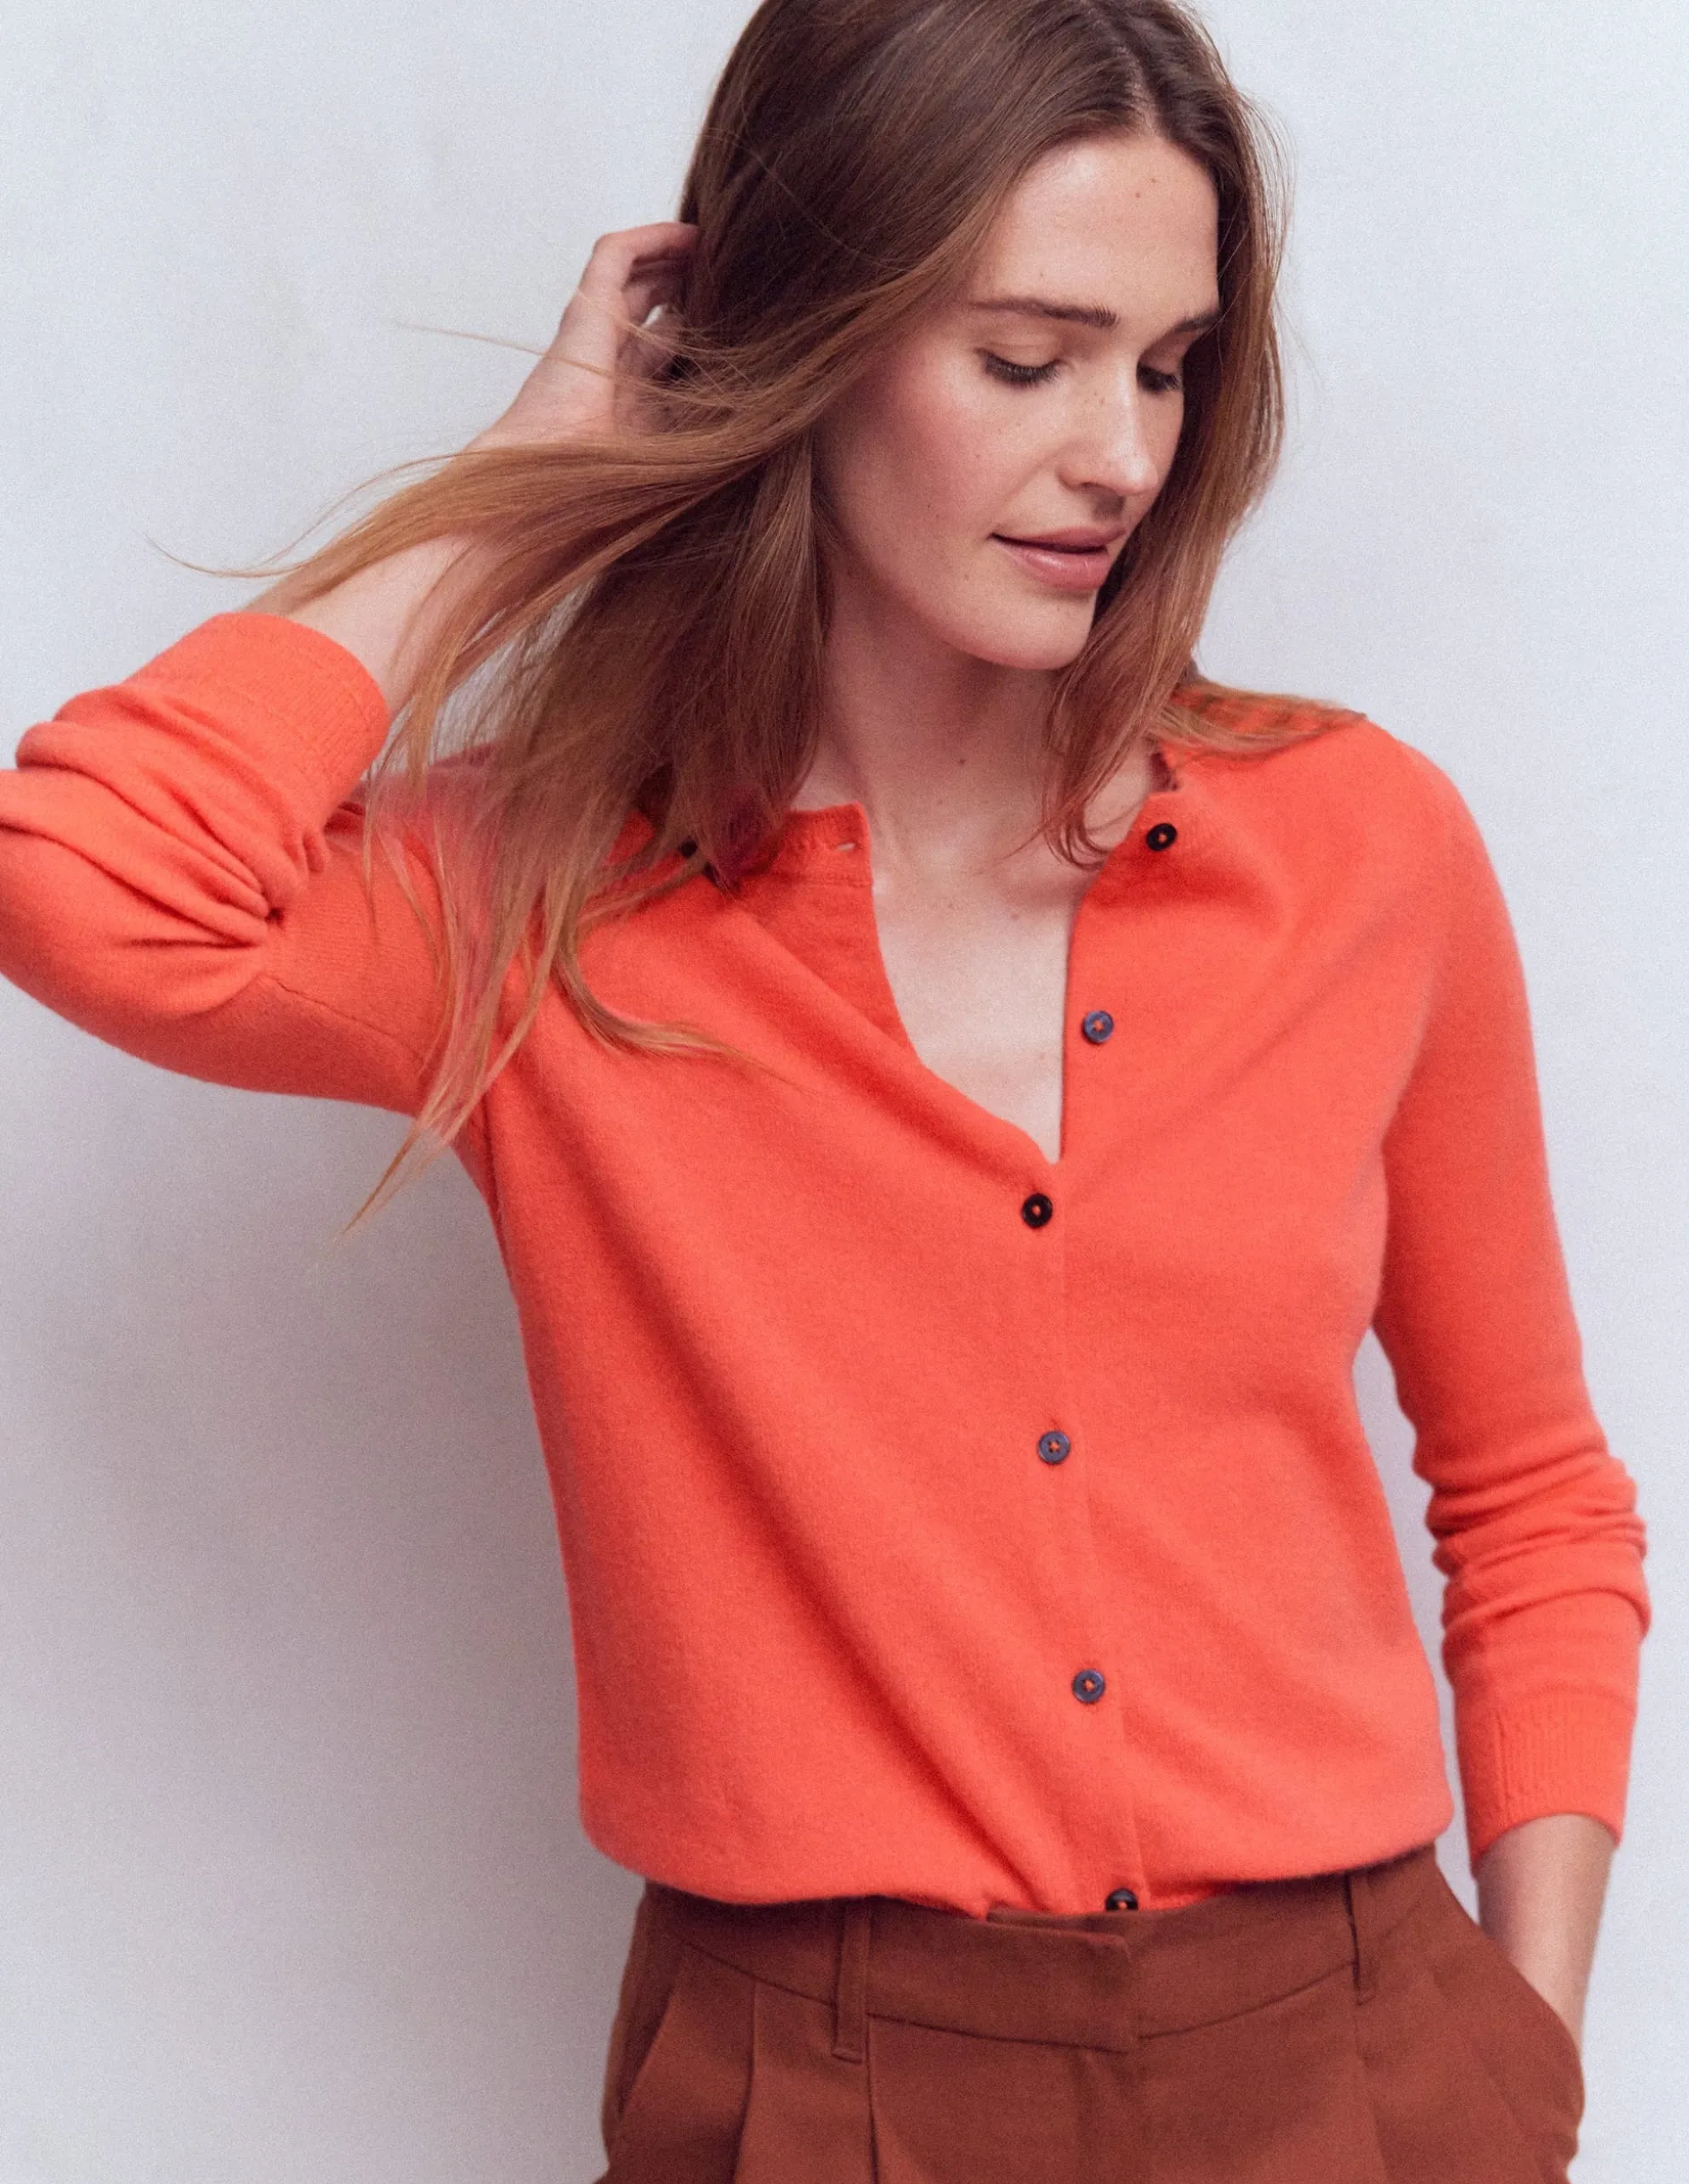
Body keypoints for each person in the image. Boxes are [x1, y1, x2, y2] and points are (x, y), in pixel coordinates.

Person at [0, 0, 1650, 2177]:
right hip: (818, 2089)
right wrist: (558, 470)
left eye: (1166, 368)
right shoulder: (538, 904)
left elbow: (1528, 1495)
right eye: (1026, 358)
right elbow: (88, 881)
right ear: (808, 348)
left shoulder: (1359, 850)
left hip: (1358, 2064)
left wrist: (1529, 2048)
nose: (1120, 457)